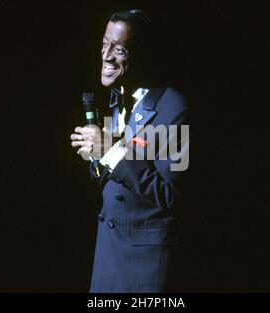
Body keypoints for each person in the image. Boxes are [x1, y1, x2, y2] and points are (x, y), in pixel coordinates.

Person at [70, 9, 190, 293]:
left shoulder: (174, 108)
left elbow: (171, 196)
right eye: (104, 44)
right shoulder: (117, 100)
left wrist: (110, 152)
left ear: (143, 54)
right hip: (108, 260)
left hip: (143, 271)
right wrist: (97, 158)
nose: (106, 55)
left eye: (120, 49)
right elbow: (119, 176)